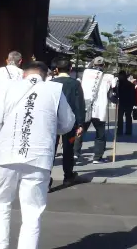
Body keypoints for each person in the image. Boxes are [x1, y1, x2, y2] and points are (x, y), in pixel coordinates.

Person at [0, 61, 74, 249]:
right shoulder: (54, 90)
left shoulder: (5, 88)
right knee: (32, 212)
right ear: (45, 76)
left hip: (7, 154)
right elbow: (67, 123)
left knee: (1, 204)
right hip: (39, 155)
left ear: (23, 74)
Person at [48, 57, 86, 187]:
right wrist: (81, 123)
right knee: (68, 148)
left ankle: (46, 177)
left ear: (56, 70)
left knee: (50, 149)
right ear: (70, 69)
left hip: (52, 121)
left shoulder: (50, 83)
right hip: (70, 121)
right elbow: (79, 104)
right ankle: (68, 176)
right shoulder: (75, 84)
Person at [0, 51, 23, 176]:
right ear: (20, 61)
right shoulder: (22, 74)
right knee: (11, 136)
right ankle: (7, 162)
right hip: (14, 107)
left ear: (7, 60)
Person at [80, 57, 116, 163]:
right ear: (104, 65)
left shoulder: (85, 73)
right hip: (100, 110)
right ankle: (97, 157)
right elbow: (114, 90)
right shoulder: (109, 77)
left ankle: (75, 154)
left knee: (80, 131)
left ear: (93, 64)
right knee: (100, 134)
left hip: (85, 107)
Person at [115, 71, 137, 135]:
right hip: (128, 103)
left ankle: (120, 131)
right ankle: (128, 131)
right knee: (127, 117)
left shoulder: (120, 84)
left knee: (121, 117)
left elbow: (118, 94)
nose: (119, 77)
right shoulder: (130, 84)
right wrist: (135, 103)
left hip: (123, 103)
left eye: (119, 76)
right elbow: (134, 95)